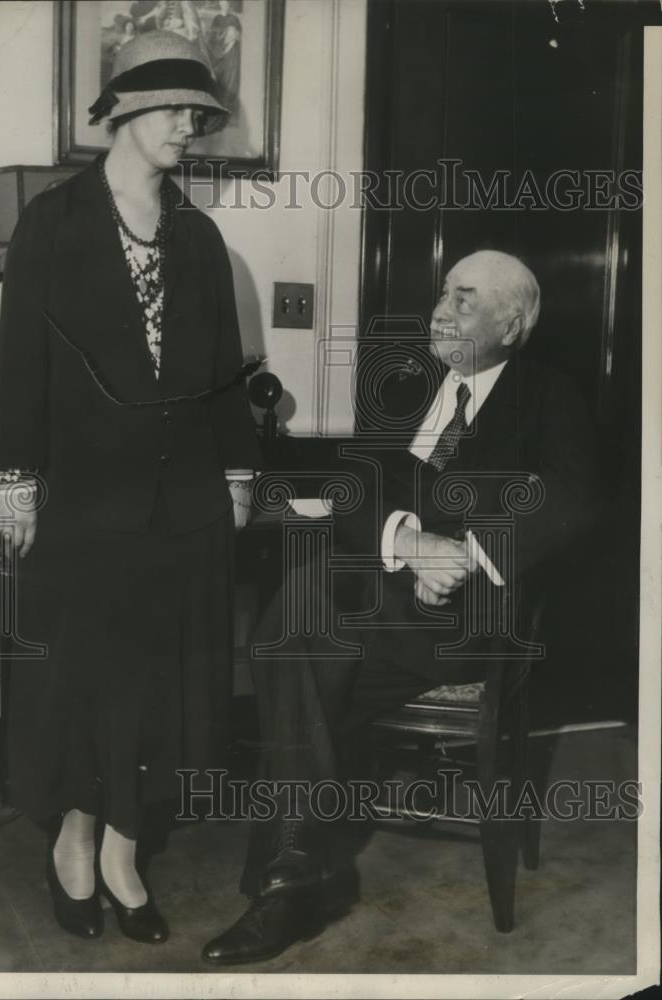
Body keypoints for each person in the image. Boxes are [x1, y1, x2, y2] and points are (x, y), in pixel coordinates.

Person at [201, 250, 602, 964]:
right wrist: (409, 543)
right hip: (387, 611)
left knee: (295, 634)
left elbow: (571, 501)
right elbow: (355, 493)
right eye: (442, 294)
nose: (441, 312)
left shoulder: (550, 394)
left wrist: (465, 556)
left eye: (465, 300)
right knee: (301, 637)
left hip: (474, 622)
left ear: (511, 323)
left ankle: (287, 872)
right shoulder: (407, 388)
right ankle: (288, 878)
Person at [0, 30, 262, 945]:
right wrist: (16, 484)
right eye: (179, 109)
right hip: (83, 508)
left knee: (165, 691)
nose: (193, 127)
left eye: (201, 113)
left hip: (183, 511)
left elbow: (224, 378)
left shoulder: (204, 236)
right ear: (127, 112)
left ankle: (124, 854)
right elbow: (21, 368)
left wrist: (236, 480)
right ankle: (73, 843)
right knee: (84, 686)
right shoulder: (51, 224)